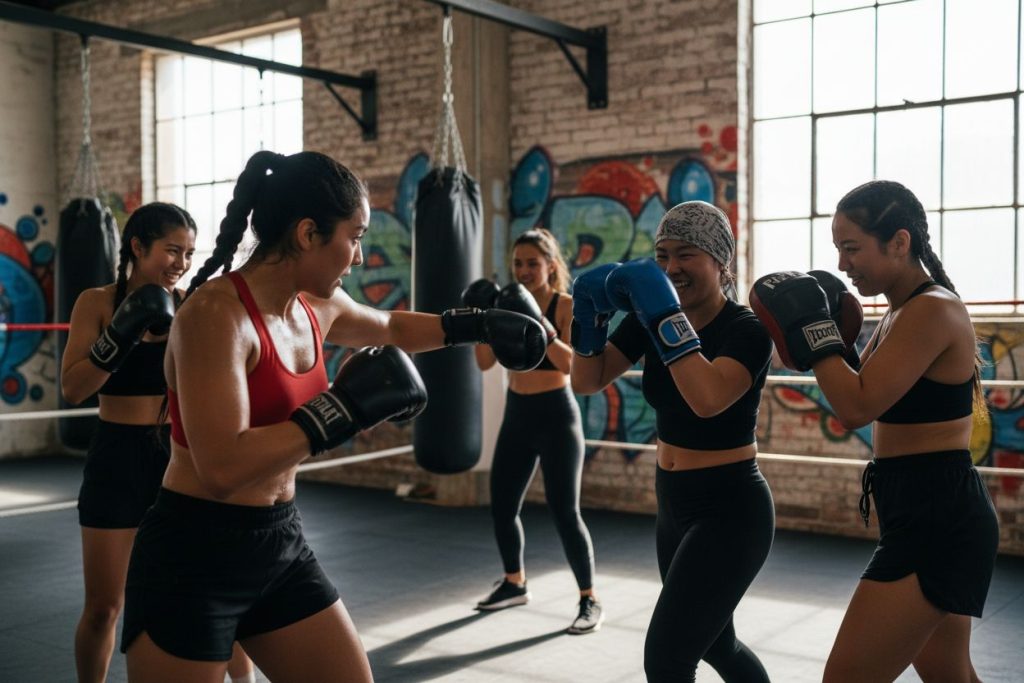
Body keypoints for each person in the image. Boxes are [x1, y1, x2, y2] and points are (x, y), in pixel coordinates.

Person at [119, 150, 547, 682]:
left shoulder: (314, 306)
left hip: (278, 542)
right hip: (193, 553)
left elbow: (390, 327)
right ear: (307, 233)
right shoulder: (215, 316)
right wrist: (339, 410)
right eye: (356, 236)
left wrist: (476, 326)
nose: (360, 256)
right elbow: (222, 467)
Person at [750, 179, 999, 683]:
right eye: (838, 250)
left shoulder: (933, 309)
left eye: (852, 248)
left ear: (900, 242)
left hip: (938, 517)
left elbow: (856, 406)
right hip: (922, 508)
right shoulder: (899, 313)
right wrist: (811, 337)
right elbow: (848, 380)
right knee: (951, 676)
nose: (843, 264)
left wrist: (815, 331)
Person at [571, 201, 775, 682]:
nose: (671, 268)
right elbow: (588, 379)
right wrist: (589, 317)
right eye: (662, 255)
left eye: (686, 254)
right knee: (717, 645)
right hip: (674, 502)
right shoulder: (649, 318)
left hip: (731, 508)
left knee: (667, 658)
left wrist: (662, 314)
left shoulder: (746, 331)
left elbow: (707, 399)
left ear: (721, 262)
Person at [465, 228, 602, 634]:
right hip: (518, 414)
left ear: (551, 266)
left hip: (557, 416)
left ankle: (589, 598)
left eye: (533, 263)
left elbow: (572, 367)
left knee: (565, 512)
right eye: (518, 264)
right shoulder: (505, 307)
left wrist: (538, 320)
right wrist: (484, 321)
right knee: (503, 506)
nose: (524, 270)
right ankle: (514, 582)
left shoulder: (564, 305)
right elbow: (485, 364)